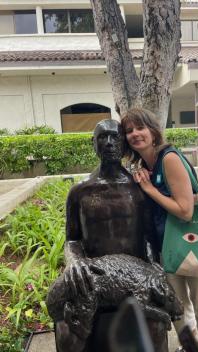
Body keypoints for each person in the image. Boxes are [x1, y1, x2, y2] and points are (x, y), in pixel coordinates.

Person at [52, 119, 170, 352]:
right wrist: (75, 262)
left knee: (156, 325)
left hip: (135, 277)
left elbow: (147, 236)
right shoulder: (80, 191)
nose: (109, 143)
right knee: (68, 332)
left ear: (124, 143)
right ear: (93, 143)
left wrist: (154, 266)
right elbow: (72, 239)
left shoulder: (138, 188)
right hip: (94, 277)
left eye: (115, 137)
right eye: (102, 137)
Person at [121, 108, 198, 352]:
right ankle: (190, 347)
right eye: (129, 131)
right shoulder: (142, 165)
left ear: (153, 130)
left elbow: (185, 211)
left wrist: (150, 190)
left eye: (140, 127)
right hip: (167, 246)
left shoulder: (169, 158)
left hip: (192, 242)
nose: (135, 134)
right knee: (178, 307)